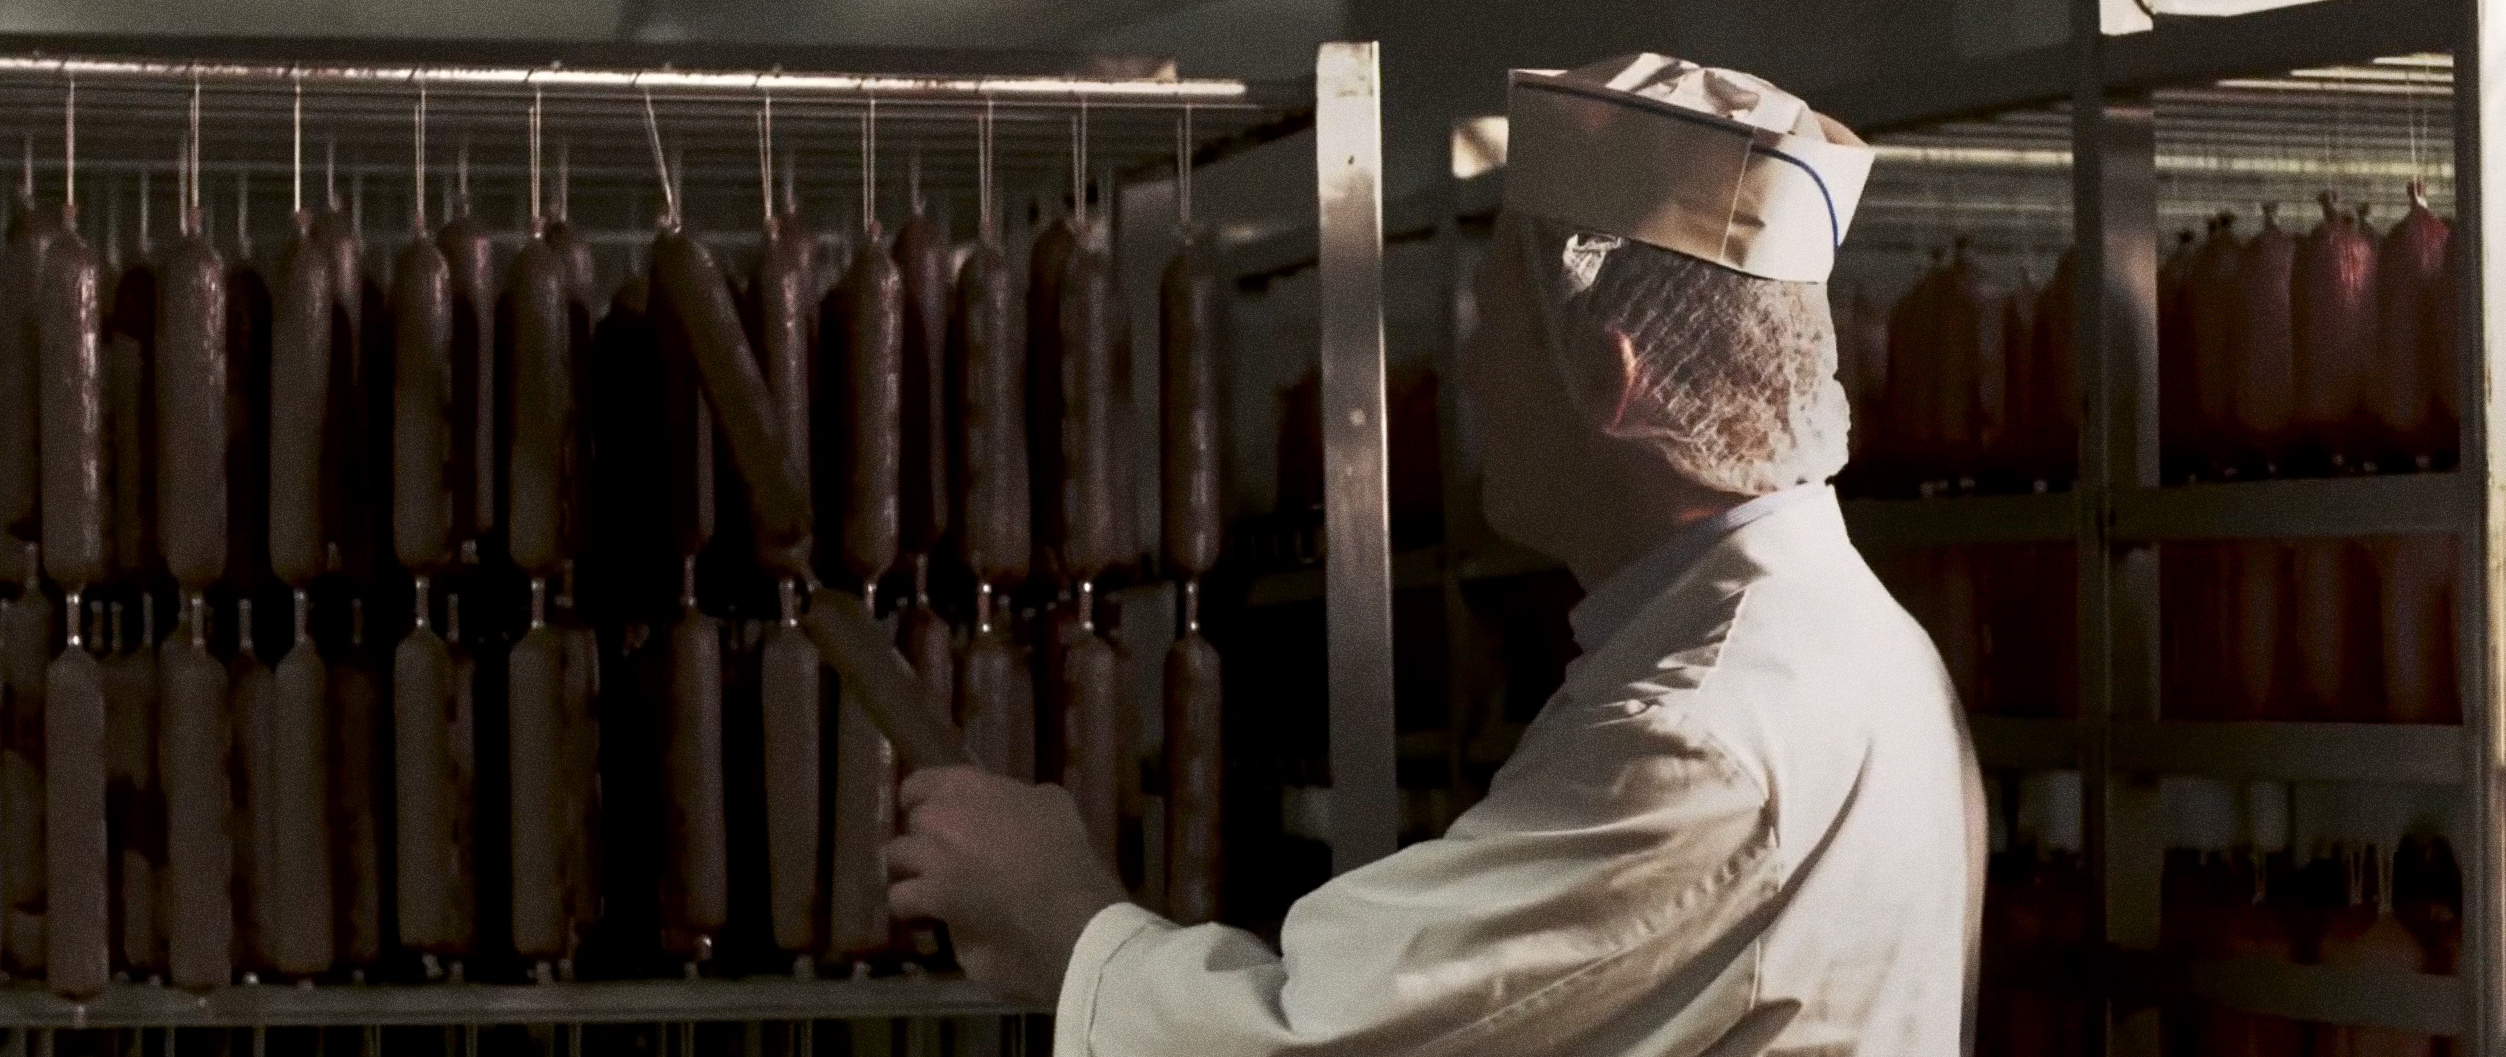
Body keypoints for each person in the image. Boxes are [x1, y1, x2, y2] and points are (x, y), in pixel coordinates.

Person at [886, 54, 1986, 1055]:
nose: (1466, 378)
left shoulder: (1698, 732)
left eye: (1490, 330)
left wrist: (1063, 918)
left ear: (1612, 380)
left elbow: (1332, 1039)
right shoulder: (1847, 645)